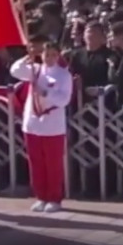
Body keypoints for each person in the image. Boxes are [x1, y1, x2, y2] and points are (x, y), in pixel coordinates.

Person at [10, 37, 73, 213]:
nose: (49, 58)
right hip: (32, 122)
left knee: (53, 163)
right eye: (46, 54)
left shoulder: (63, 74)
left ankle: (54, 198)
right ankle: (41, 196)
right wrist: (27, 57)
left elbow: (64, 99)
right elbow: (15, 70)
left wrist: (46, 93)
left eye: (53, 54)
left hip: (53, 125)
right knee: (35, 161)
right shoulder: (35, 70)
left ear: (58, 55)